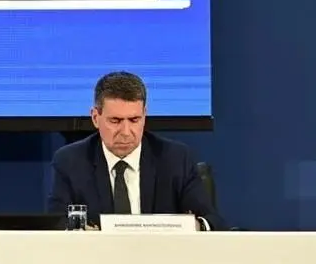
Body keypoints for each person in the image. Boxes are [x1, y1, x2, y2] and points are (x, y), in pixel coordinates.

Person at [47, 71, 225, 230]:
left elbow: (212, 221)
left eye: (134, 120)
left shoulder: (176, 158)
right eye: (115, 121)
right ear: (95, 117)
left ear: (144, 115)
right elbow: (56, 225)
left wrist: (192, 227)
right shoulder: (70, 161)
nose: (126, 132)